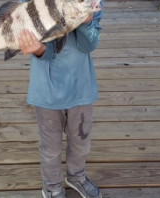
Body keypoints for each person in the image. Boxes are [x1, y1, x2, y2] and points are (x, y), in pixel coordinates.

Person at [18, 0, 104, 197]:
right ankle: (52, 186)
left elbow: (88, 44)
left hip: (81, 88)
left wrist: (86, 21)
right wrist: (38, 48)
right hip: (47, 91)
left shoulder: (90, 2)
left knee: (81, 143)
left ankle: (77, 177)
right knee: (51, 149)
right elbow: (46, 52)